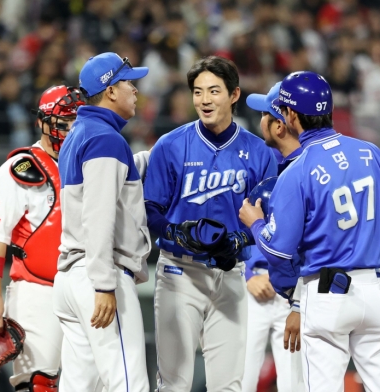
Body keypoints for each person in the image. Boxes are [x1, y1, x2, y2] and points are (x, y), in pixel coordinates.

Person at [239, 71, 380, 392]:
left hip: (327, 293)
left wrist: (256, 223)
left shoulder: (298, 169)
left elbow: (278, 250)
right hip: (378, 290)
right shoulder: (369, 152)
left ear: (290, 115)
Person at [143, 55, 278, 392]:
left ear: (234, 94)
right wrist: (174, 232)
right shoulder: (170, 145)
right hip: (179, 272)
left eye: (214, 91)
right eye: (198, 91)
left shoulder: (259, 152)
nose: (204, 100)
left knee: (229, 385)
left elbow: (268, 217)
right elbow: (149, 208)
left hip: (231, 274)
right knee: (174, 382)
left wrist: (241, 241)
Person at [0, 85, 85, 391]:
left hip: (83, 287)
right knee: (37, 381)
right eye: (63, 122)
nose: (70, 129)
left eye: (76, 121)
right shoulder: (20, 167)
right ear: (42, 122)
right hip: (36, 289)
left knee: (92, 381)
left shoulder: (89, 163)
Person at [53, 53, 151, 391]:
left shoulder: (82, 133)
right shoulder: (106, 139)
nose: (135, 89)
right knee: (127, 384)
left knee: (80, 387)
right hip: (98, 277)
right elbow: (99, 216)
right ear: (110, 91)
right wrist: (104, 284)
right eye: (128, 82)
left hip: (71, 277)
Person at [242, 81, 304, 392]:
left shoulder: (310, 167)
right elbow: (233, 226)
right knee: (238, 382)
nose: (260, 122)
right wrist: (247, 272)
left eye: (264, 115)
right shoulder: (256, 158)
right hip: (253, 286)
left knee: (297, 385)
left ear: (280, 124)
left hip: (298, 291)